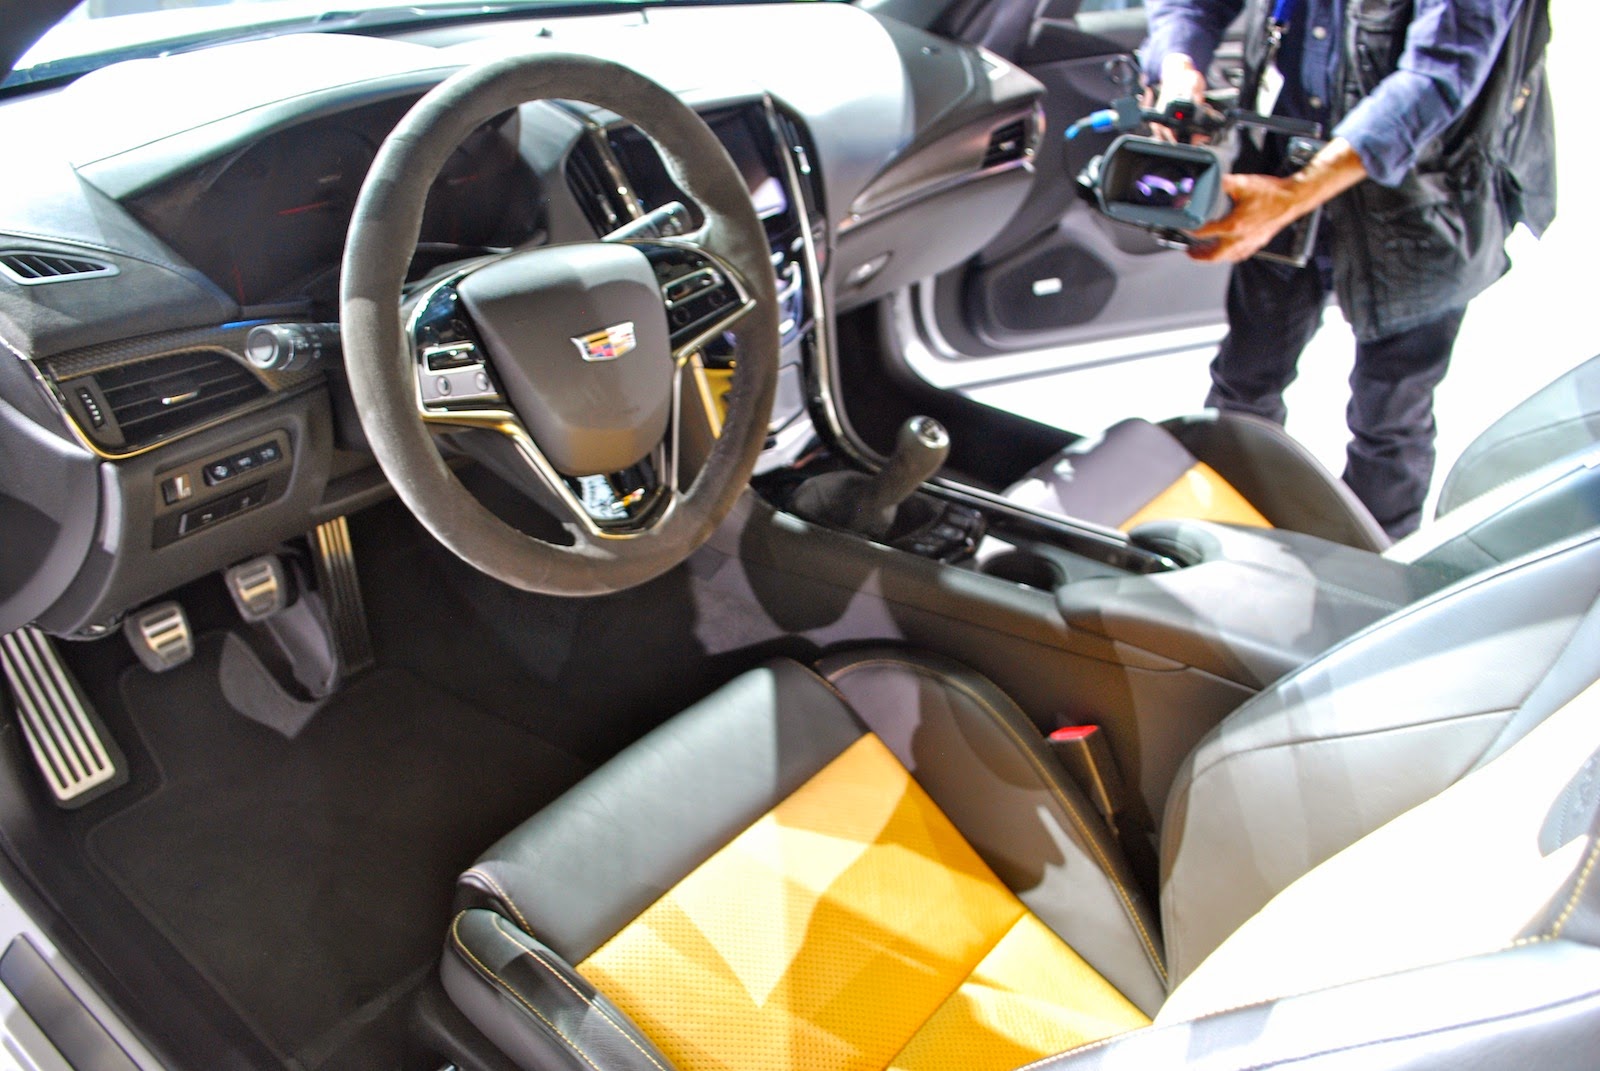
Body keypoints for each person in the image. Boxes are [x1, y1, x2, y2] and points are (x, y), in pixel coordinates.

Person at [1141, 0, 1555, 538]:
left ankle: (1378, 570)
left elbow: (1438, 77)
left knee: (1389, 419)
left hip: (1423, 200)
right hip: (1283, 168)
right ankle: (1217, 540)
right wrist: (1179, 66)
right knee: (1243, 385)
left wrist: (1297, 194)